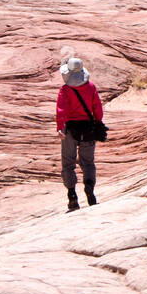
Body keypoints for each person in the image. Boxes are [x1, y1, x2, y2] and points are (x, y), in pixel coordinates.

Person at [56, 57, 103, 211]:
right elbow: (97, 108)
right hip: (88, 129)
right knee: (88, 162)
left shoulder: (65, 90)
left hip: (70, 130)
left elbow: (61, 110)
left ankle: (72, 196)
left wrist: (60, 127)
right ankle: (89, 189)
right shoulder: (91, 87)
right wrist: (97, 122)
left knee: (68, 163)